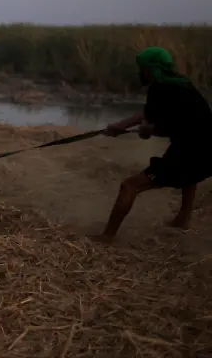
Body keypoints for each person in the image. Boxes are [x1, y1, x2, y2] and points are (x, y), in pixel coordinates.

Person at [89, 46, 212, 243]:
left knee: (129, 186)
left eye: (143, 68)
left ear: (151, 69)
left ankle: (107, 236)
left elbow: (158, 126)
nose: (141, 72)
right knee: (191, 174)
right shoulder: (182, 84)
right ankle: (183, 218)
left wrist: (147, 130)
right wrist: (120, 126)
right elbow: (156, 116)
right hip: (205, 149)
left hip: (192, 150)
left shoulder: (160, 88)